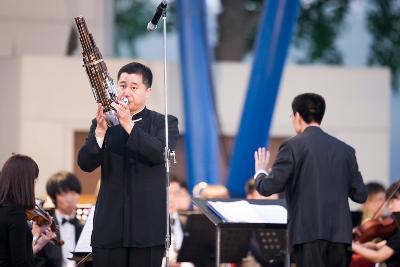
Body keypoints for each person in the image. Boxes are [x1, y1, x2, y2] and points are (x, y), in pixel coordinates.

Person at [78, 62, 179, 267]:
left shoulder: (164, 123)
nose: (126, 92)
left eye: (134, 87)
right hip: (109, 227)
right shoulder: (103, 122)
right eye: (122, 85)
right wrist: (99, 133)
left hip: (148, 229)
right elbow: (85, 163)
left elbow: (158, 153)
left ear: (147, 92)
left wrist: (128, 124)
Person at [253, 93, 367, 267]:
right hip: (340, 237)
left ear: (297, 116)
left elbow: (268, 187)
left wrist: (260, 172)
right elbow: (361, 195)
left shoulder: (292, 146)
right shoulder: (346, 151)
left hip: (307, 234)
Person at [0, 154, 54, 266]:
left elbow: (11, 256)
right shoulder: (16, 213)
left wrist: (38, 244)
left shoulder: (4, 209)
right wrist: (34, 235)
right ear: (24, 183)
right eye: (34, 182)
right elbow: (21, 263)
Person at [33, 171, 83, 267]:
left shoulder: (84, 229)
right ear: (54, 197)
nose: (69, 199)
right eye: (63, 194)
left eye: (73, 193)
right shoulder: (44, 227)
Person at [352, 181, 400, 267]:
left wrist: (350, 244)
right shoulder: (353, 217)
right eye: (379, 200)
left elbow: (379, 256)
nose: (387, 206)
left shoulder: (393, 223)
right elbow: (383, 245)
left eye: (391, 202)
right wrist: (370, 246)